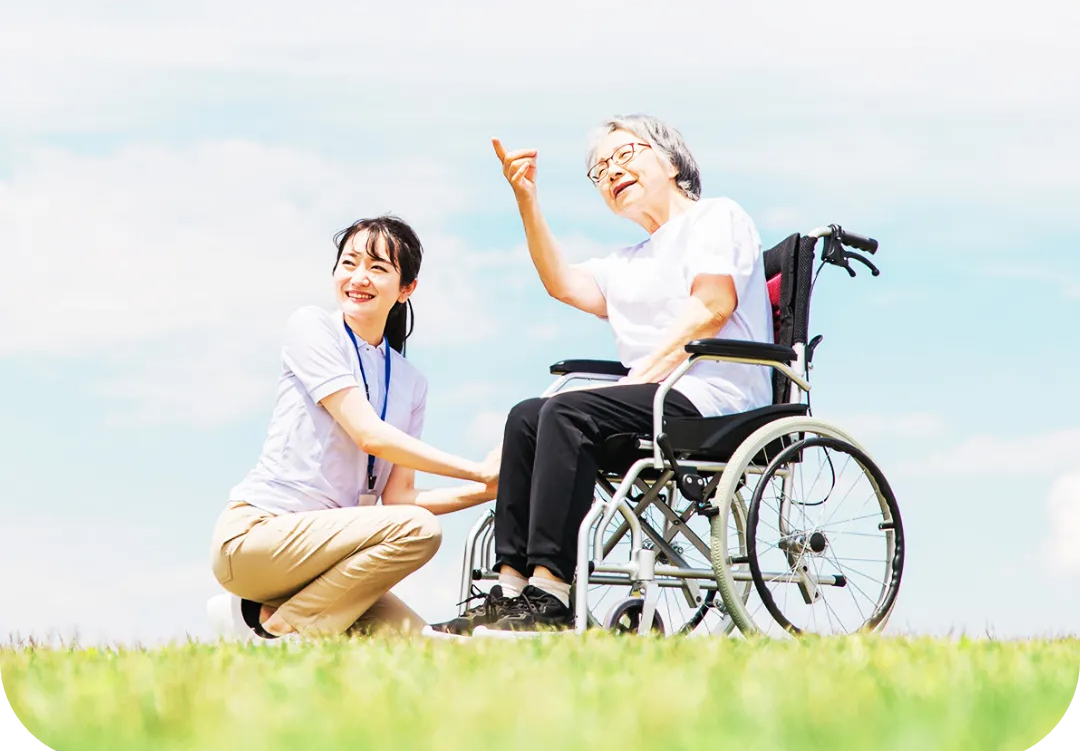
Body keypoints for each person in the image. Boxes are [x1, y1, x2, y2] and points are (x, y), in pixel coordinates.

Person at [427, 115, 773, 636]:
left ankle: (551, 593)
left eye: (624, 155)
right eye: (600, 169)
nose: (611, 171)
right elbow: (562, 284)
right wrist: (527, 199)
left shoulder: (716, 219)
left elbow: (712, 306)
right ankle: (511, 591)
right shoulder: (627, 261)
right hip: (652, 402)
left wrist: (635, 381)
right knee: (528, 416)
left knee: (566, 412)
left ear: (672, 161)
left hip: (713, 399)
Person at [207, 214, 500, 641]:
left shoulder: (410, 382)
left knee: (430, 649)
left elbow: (400, 497)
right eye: (349, 263)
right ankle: (282, 629)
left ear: (406, 290)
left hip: (330, 560)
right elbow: (369, 434)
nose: (358, 277)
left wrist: (492, 489)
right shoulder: (312, 327)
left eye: (378, 268)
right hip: (256, 538)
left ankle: (268, 620)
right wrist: (477, 470)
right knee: (419, 531)